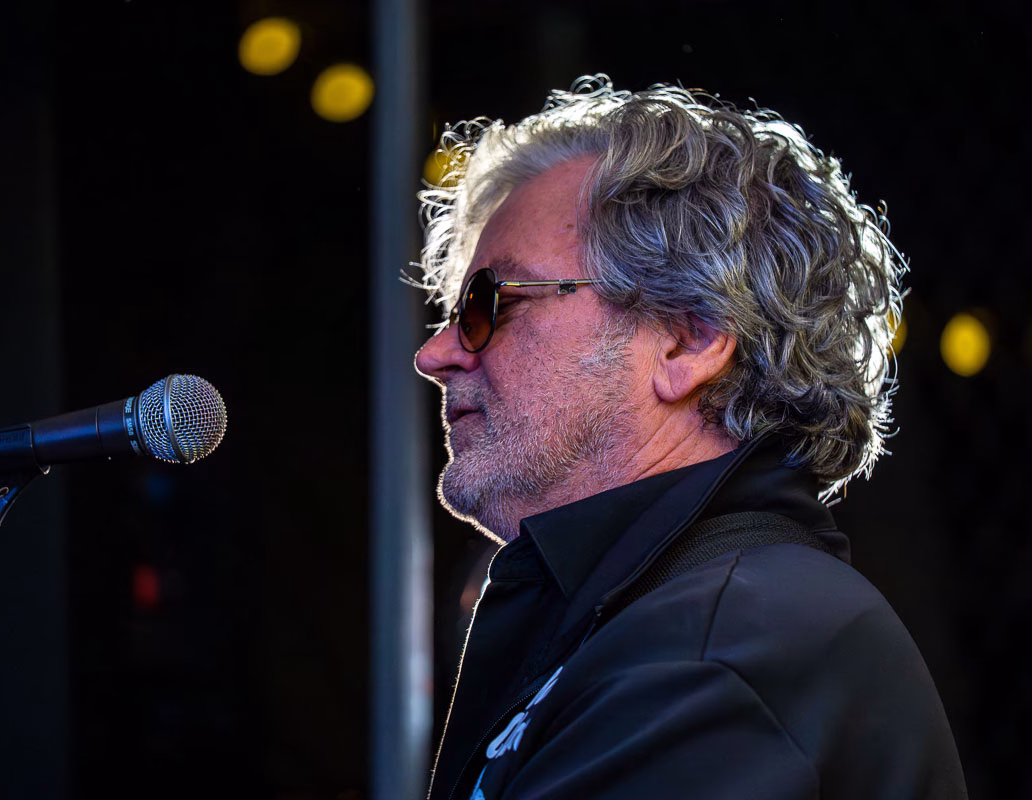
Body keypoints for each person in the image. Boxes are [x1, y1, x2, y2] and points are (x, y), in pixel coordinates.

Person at [413, 75, 967, 799]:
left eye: (490, 304)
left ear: (687, 340)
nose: (436, 355)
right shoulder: (683, 622)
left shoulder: (716, 654)